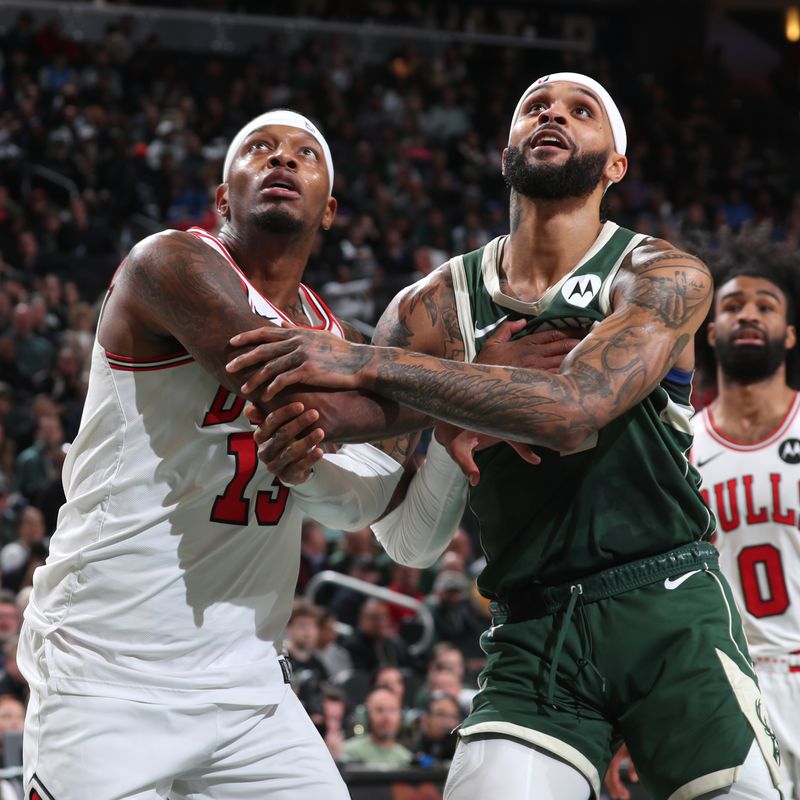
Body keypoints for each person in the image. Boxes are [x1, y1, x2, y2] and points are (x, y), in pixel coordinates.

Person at [227, 74, 782, 799]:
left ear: (616, 164)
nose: (552, 113)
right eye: (535, 107)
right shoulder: (429, 308)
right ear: (505, 151)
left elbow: (574, 407)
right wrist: (451, 416)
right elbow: (409, 544)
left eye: (581, 111)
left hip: (669, 602)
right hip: (532, 622)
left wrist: (371, 364)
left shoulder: (662, 273)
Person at [16, 109, 414, 799]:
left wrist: (405, 398)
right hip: (106, 669)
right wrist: (461, 389)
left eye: (303, 154)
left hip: (248, 687)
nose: (281, 160)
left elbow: (377, 485)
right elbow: (307, 402)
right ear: (224, 196)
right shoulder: (168, 263)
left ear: (329, 211)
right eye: (259, 148)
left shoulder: (340, 336)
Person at [690, 233, 800, 799]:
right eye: (732, 305)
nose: (749, 313)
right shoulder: (680, 448)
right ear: (711, 333)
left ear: (790, 333)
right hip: (726, 685)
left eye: (766, 304)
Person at [340, 687, 413, 767]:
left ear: (401, 717)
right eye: (379, 710)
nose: (387, 718)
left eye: (392, 710)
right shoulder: (347, 752)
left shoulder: (407, 759)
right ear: (367, 716)